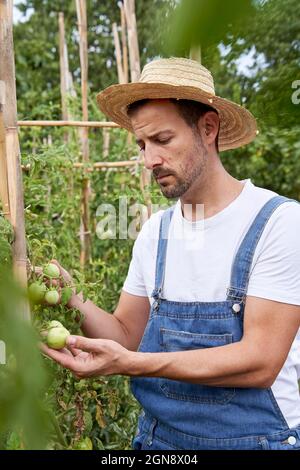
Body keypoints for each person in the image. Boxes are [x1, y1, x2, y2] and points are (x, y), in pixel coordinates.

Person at [42, 57, 300, 450]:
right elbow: (126, 336)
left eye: (162, 140)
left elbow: (260, 360)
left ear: (208, 128)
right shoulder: (154, 233)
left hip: (256, 441)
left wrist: (132, 364)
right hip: (160, 444)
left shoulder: (277, 223)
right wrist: (70, 293)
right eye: (142, 145)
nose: (149, 160)